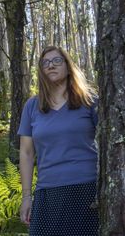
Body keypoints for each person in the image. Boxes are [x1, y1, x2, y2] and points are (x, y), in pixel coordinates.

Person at [18, 46, 98, 235]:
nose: (50, 66)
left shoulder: (89, 101)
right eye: (45, 63)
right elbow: (27, 153)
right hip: (48, 191)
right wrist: (26, 196)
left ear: (68, 66)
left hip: (86, 188)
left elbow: (107, 144)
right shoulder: (32, 106)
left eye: (56, 61)